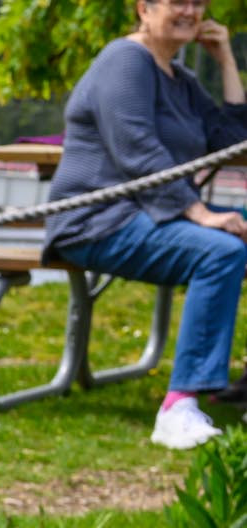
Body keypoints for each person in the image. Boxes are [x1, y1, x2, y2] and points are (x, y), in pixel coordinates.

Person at [45, 0, 247, 450]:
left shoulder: (182, 80)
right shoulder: (124, 61)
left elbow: (229, 143)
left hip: (149, 215)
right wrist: (200, 214)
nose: (191, 11)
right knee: (221, 250)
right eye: (179, 2)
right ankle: (178, 408)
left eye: (198, 3)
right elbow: (136, 151)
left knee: (231, 239)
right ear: (144, 8)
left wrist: (227, 61)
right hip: (96, 222)